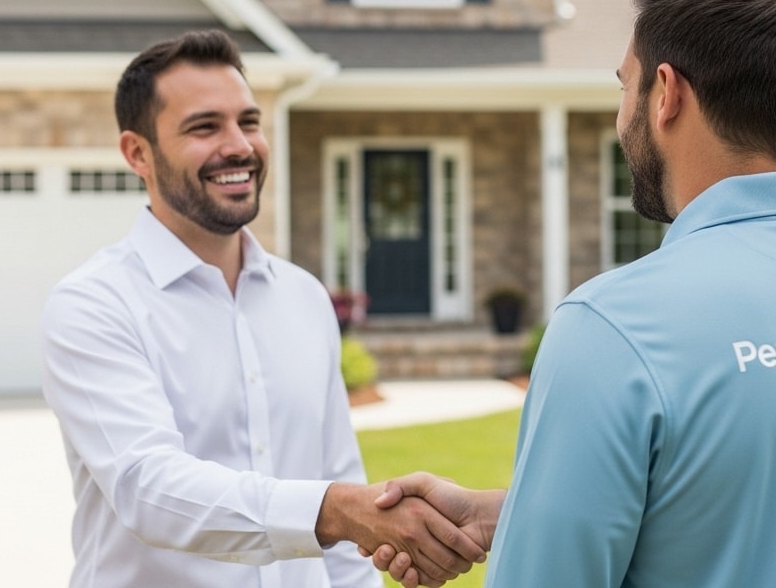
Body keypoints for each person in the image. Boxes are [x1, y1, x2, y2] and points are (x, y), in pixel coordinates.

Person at [371, 0, 776, 587]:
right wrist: (522, 511)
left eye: (624, 85)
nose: (620, 113)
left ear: (666, 94)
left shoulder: (613, 327)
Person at [41, 30, 485, 588]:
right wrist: (336, 510)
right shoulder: (94, 306)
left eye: (248, 121)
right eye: (205, 126)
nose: (239, 145)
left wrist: (355, 523)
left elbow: (341, 486)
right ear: (138, 153)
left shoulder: (303, 298)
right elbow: (147, 487)